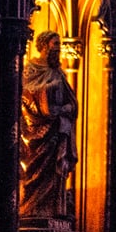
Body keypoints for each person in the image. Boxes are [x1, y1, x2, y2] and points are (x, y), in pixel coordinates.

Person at [18, 30, 79, 221]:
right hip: (38, 133)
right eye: (55, 44)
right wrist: (48, 110)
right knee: (35, 174)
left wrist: (67, 108)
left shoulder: (59, 74)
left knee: (56, 171)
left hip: (57, 132)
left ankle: (56, 209)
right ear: (44, 46)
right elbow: (25, 96)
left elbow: (72, 102)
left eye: (60, 44)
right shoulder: (31, 70)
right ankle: (32, 210)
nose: (59, 48)